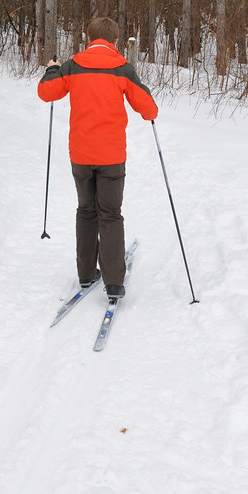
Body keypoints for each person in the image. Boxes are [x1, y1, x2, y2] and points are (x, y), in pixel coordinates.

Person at [37, 16, 158, 299]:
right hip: (112, 156)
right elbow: (149, 110)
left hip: (80, 154)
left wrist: (51, 71)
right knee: (110, 214)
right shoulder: (122, 69)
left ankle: (86, 273)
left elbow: (46, 92)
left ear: (88, 38)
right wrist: (145, 94)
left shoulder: (72, 65)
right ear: (115, 41)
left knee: (86, 211)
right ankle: (114, 282)